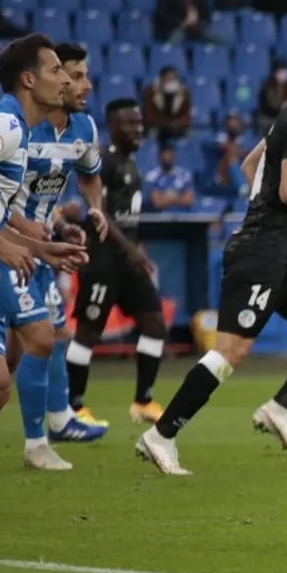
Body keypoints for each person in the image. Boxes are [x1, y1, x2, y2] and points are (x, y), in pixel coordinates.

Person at [137, 40, 287, 475]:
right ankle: (161, 434)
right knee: (231, 351)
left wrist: (284, 228)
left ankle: (280, 408)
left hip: (278, 249)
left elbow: (253, 167)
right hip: (262, 253)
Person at [0, 41, 109, 467]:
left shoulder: (84, 130)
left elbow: (91, 176)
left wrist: (94, 210)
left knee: (22, 353)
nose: (80, 83)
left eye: (80, 75)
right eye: (70, 74)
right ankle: (36, 443)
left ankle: (59, 418)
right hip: (7, 247)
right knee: (39, 340)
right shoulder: (17, 126)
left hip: (39, 251)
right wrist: (18, 227)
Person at [64, 96, 171, 428]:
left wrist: (136, 250)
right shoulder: (105, 163)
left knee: (154, 323)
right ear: (111, 127)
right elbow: (100, 214)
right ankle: (75, 407)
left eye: (139, 123)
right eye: (128, 123)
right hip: (103, 260)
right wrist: (131, 249)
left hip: (127, 259)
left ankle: (143, 402)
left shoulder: (131, 164)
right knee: (88, 332)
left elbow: (127, 219)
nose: (137, 129)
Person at [141, 66, 193, 141]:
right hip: (157, 125)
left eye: (173, 78)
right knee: (152, 132)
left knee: (189, 134)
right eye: (168, 77)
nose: (170, 80)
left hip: (176, 126)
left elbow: (187, 115)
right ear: (161, 78)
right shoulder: (150, 92)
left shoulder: (184, 93)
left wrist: (177, 123)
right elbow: (148, 114)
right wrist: (165, 123)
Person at [144, 143, 196, 212]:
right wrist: (178, 197)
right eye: (165, 154)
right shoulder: (151, 176)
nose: (167, 157)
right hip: (158, 219)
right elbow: (157, 203)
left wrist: (166, 198)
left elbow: (189, 200)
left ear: (174, 155)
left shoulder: (185, 175)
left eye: (170, 154)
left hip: (182, 217)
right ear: (159, 156)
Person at [256, 57, 287, 135]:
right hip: (269, 118)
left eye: (285, 71)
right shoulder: (268, 85)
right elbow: (273, 104)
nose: (284, 74)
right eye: (281, 72)